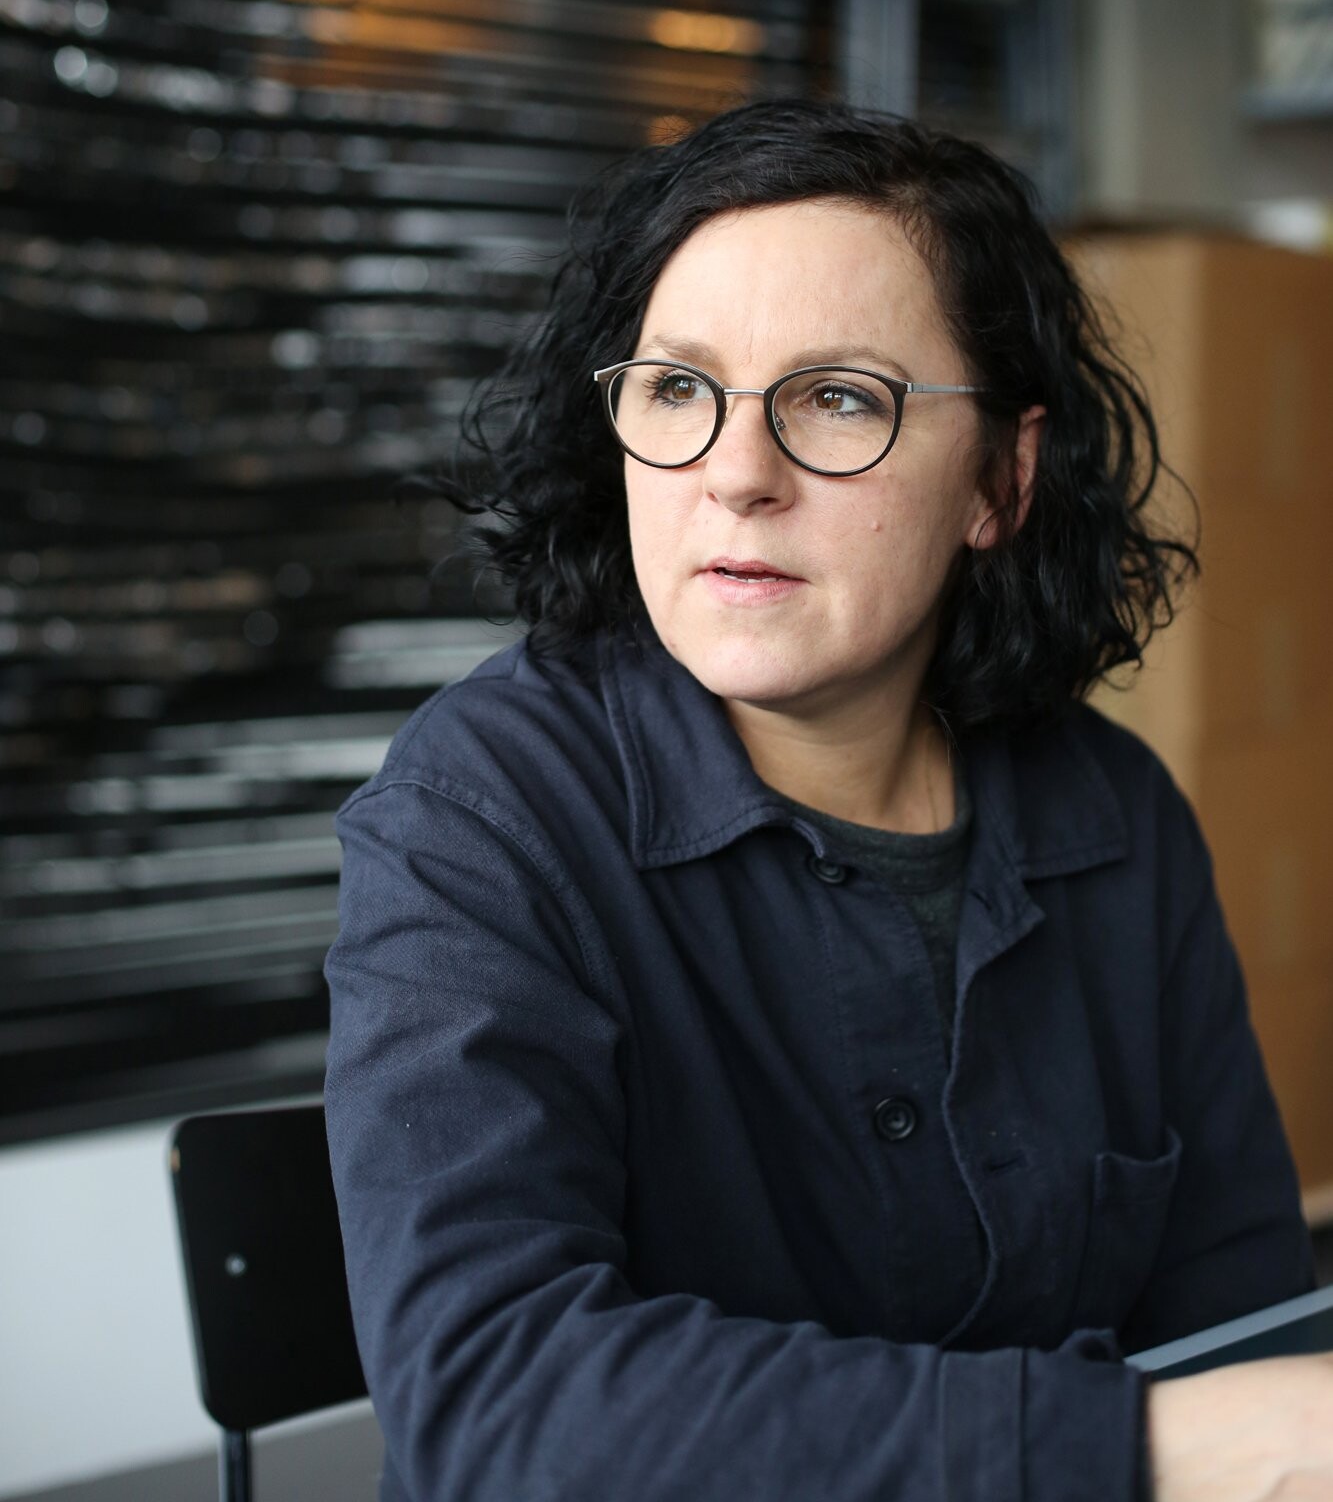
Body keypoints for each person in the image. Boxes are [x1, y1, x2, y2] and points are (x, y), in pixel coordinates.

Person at [324, 99, 1331, 1502]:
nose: (735, 476)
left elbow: (1237, 1328)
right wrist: (1140, 1447)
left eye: (838, 399)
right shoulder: (483, 813)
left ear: (998, 479)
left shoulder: (1117, 818)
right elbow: (494, 1403)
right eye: (677, 389)